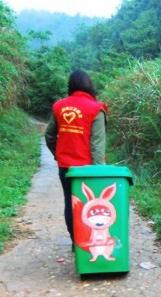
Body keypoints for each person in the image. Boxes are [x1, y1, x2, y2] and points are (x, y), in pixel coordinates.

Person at [45, 70, 108, 247]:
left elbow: (49, 136)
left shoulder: (59, 106)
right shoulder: (96, 109)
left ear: (70, 86)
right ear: (89, 86)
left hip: (66, 168)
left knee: (71, 204)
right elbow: (97, 145)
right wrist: (100, 173)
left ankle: (76, 243)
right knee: (91, 205)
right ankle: (90, 243)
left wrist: (58, 155)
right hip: (89, 169)